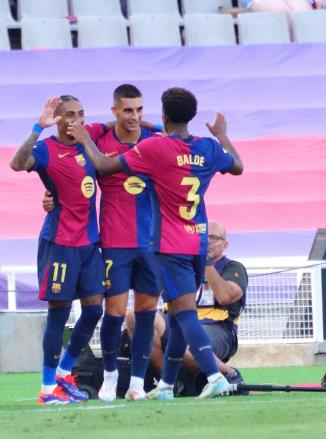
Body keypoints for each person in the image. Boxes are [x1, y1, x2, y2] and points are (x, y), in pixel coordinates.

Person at [72, 87, 244, 400]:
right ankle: (166, 384)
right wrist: (221, 135)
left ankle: (214, 375)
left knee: (184, 314)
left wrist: (85, 139)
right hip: (198, 243)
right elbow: (237, 165)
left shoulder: (155, 148)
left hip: (170, 244)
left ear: (162, 116)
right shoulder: (207, 146)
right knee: (177, 315)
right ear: (191, 116)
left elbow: (105, 166)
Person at [43, 84, 163, 402]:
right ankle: (110, 377)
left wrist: (159, 125)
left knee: (146, 313)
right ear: (114, 111)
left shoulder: (155, 140)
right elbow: (67, 167)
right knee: (113, 313)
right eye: (127, 110)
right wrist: (51, 197)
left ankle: (137, 382)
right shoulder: (97, 138)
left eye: (139, 109)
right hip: (113, 241)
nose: (134, 116)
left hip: (151, 243)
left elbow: (178, 138)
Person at [10, 95, 105, 405]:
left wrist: (154, 124)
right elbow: (17, 163)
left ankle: (65, 372)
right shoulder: (47, 150)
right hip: (61, 242)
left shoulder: (88, 138)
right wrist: (38, 127)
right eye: (69, 115)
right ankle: (48, 389)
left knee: (93, 309)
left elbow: (118, 124)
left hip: (90, 242)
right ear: (58, 119)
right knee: (58, 313)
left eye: (80, 113)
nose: (76, 119)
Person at [125, 220, 248, 389]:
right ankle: (169, 381)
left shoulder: (233, 268)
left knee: (188, 341)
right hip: (179, 321)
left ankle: (229, 372)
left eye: (214, 238)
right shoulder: (182, 265)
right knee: (135, 316)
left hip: (217, 328)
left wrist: (205, 263)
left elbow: (226, 297)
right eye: (205, 237)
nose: (209, 241)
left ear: (225, 245)